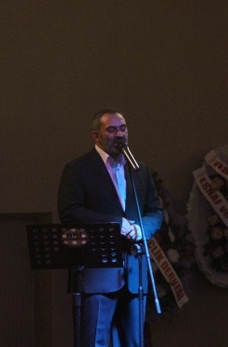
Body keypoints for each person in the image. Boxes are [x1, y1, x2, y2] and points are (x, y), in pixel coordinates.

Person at [57, 108, 164, 347]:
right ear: (96, 136)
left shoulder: (139, 169)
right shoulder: (79, 169)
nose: (119, 135)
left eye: (123, 128)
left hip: (134, 270)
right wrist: (116, 224)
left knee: (135, 342)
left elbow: (156, 211)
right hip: (99, 271)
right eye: (112, 130)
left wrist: (140, 230)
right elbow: (70, 212)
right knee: (96, 340)